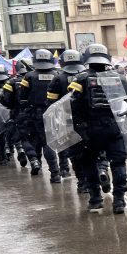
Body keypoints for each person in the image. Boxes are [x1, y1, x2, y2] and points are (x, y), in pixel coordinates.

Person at [68, 45, 127, 214]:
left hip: (89, 130)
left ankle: (96, 199)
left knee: (89, 163)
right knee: (118, 163)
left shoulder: (80, 79)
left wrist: (79, 127)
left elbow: (71, 106)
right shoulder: (119, 78)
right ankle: (119, 200)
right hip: (113, 127)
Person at [11, 49, 63, 182]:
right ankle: (55, 173)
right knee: (50, 142)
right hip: (54, 113)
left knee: (34, 140)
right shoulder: (57, 74)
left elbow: (22, 96)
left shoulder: (29, 76)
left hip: (34, 113)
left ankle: (38, 164)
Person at [46, 49, 86, 191]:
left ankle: (82, 182)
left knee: (74, 153)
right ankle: (100, 171)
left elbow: (51, 102)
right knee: (93, 152)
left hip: (67, 121)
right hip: (88, 121)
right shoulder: (87, 76)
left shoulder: (58, 78)